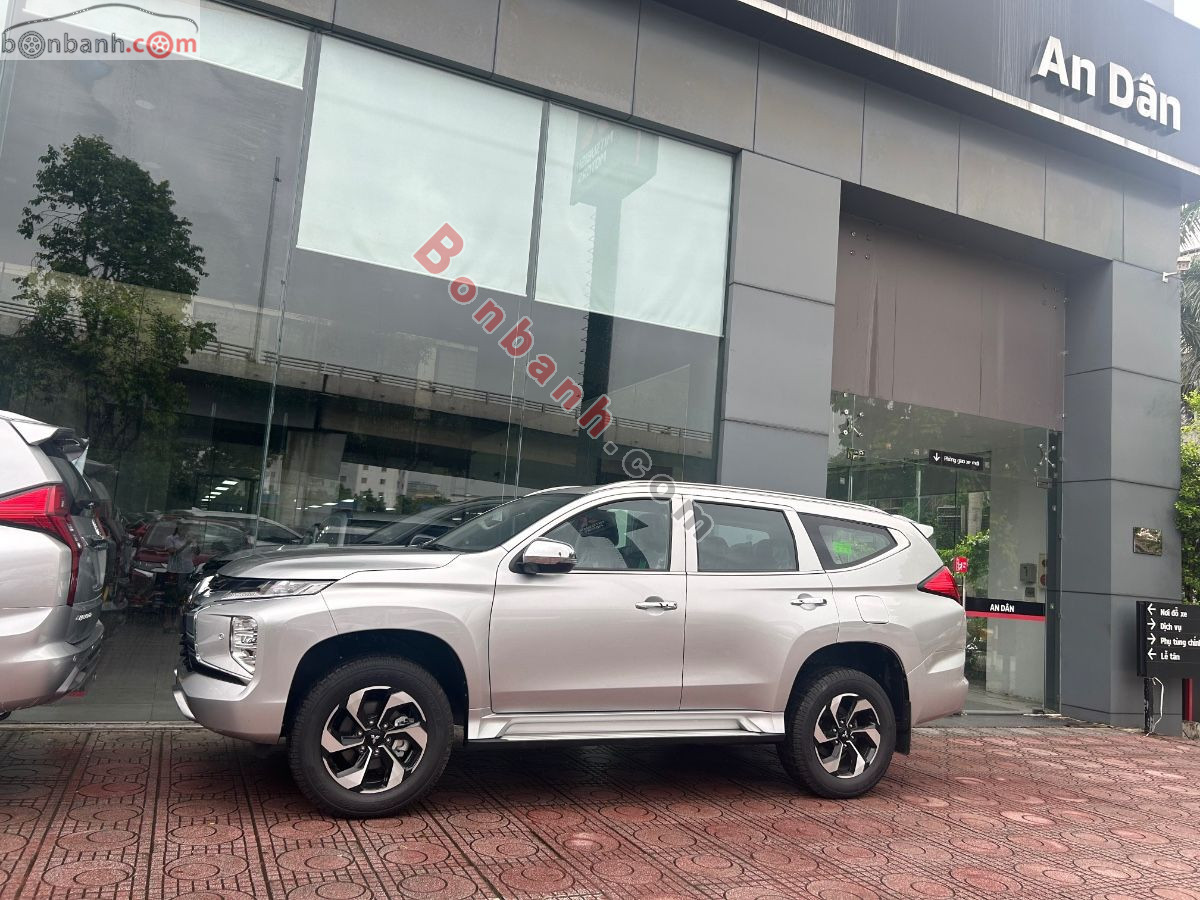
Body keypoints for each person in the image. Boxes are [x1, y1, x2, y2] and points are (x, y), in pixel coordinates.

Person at [163, 525, 195, 632]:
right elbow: (173, 553)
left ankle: (178, 622)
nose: (184, 531)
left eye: (186, 529)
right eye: (182, 529)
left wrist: (195, 544)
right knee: (171, 596)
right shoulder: (170, 539)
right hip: (175, 570)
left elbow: (196, 552)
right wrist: (186, 545)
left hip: (187, 570)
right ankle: (168, 622)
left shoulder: (190, 539)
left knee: (183, 596)